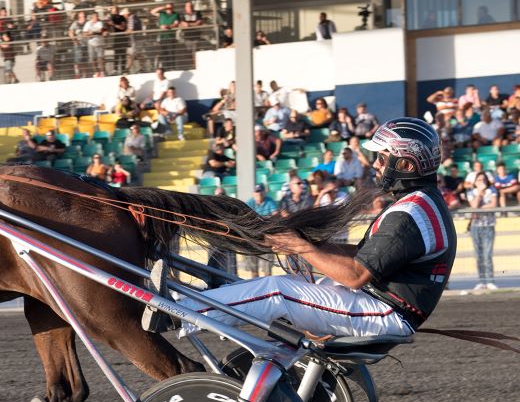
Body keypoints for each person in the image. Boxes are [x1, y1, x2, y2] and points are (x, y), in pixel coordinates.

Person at [179, 117, 455, 340]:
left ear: (405, 164)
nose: (375, 164)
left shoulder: (410, 213)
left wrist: (302, 247)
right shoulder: (420, 203)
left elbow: (356, 275)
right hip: (382, 305)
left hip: (387, 313)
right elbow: (366, 256)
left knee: (277, 291)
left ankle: (182, 313)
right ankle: (205, 303)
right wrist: (311, 245)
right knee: (291, 284)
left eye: (382, 158)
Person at [466, 172, 497, 290]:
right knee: (479, 255)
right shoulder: (471, 192)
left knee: (487, 254)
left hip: (488, 225)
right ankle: (482, 281)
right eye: (479, 180)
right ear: (475, 182)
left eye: (484, 180)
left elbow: (494, 205)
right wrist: (479, 193)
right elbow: (474, 206)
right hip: (476, 226)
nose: (482, 182)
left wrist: (479, 208)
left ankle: (490, 281)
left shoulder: (492, 190)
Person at [244, 184, 277, 276]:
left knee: (267, 269)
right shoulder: (249, 202)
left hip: (267, 237)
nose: (259, 194)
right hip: (253, 237)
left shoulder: (270, 201)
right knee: (253, 269)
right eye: (257, 192)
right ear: (253, 193)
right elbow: (244, 218)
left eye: (260, 191)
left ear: (264, 192)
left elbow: (276, 214)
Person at [150, 2, 181, 68]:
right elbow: (152, 12)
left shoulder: (176, 14)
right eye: (168, 8)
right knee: (164, 53)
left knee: (171, 53)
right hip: (162, 37)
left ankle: (172, 68)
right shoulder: (162, 14)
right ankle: (165, 68)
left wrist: (168, 26)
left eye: (170, 8)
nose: (169, 9)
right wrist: (163, 7)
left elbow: (176, 23)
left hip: (171, 37)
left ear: (173, 8)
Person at [83, 11, 107, 77]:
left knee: (100, 58)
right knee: (93, 59)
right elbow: (84, 33)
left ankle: (102, 72)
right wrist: (90, 33)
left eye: (97, 16)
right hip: (91, 43)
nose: (96, 17)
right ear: (92, 17)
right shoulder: (88, 23)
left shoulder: (100, 23)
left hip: (100, 43)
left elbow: (100, 30)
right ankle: (96, 72)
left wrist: (92, 32)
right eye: (95, 16)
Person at [108, 5, 129, 72]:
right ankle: (115, 69)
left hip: (122, 38)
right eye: (113, 11)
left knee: (123, 54)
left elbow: (122, 27)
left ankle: (123, 70)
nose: (114, 12)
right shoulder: (111, 18)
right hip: (115, 39)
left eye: (115, 11)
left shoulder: (122, 17)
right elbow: (107, 26)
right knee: (116, 54)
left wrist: (113, 25)